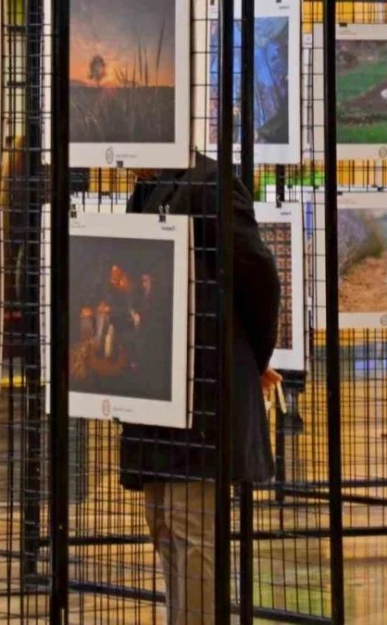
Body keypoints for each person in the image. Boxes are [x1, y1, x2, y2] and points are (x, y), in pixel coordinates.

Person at [119, 152, 281, 625]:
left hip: (203, 396)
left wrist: (252, 354)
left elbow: (259, 277)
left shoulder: (211, 184)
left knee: (193, 534)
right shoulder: (150, 190)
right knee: (165, 523)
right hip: (157, 390)